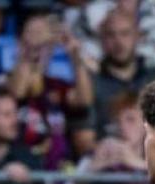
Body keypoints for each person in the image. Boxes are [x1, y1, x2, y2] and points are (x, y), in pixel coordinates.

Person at [6, 11, 93, 168]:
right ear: (20, 42)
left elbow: (84, 100)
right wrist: (27, 53)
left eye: (43, 37)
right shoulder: (4, 80)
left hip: (58, 167)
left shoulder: (56, 84)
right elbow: (17, 92)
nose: (37, 40)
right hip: (21, 166)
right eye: (31, 33)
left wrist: (75, 57)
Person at [89, 8, 155, 142]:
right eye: (111, 35)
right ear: (101, 40)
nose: (118, 42)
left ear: (138, 36)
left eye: (125, 34)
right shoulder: (92, 84)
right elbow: (85, 141)